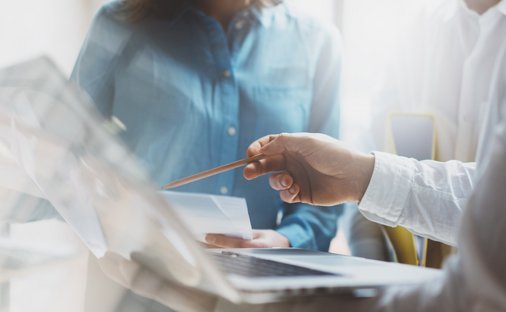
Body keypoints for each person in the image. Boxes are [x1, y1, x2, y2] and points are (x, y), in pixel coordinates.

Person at [100, 0, 506, 312]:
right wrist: (363, 175)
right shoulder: (120, 24)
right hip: (140, 298)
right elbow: (504, 195)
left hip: (265, 307)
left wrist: (239, 299)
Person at [72, 0, 342, 251]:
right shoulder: (118, 22)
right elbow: (64, 150)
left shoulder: (316, 42)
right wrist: (97, 201)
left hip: (256, 287)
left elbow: (324, 189)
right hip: (131, 273)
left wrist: (287, 240)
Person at [348, 0, 506, 261]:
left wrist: (360, 176)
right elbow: (372, 146)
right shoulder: (416, 31)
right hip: (420, 289)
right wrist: (372, 272)